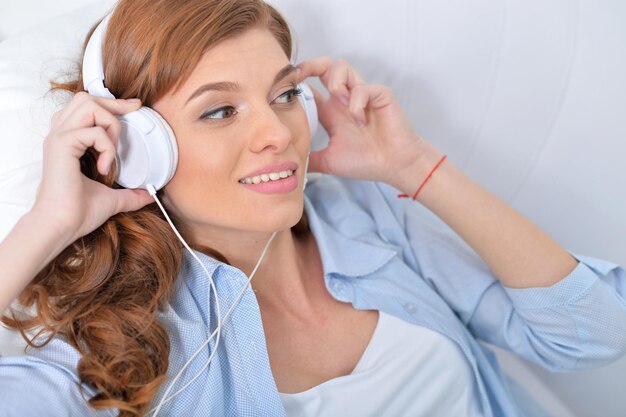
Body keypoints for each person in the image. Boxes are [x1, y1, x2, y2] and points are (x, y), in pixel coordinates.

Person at [1, 0, 625, 416]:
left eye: (285, 93)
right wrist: (46, 226)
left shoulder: (363, 219)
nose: (278, 132)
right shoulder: (124, 348)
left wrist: (413, 169)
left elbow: (595, 334)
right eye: (220, 110)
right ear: (139, 150)